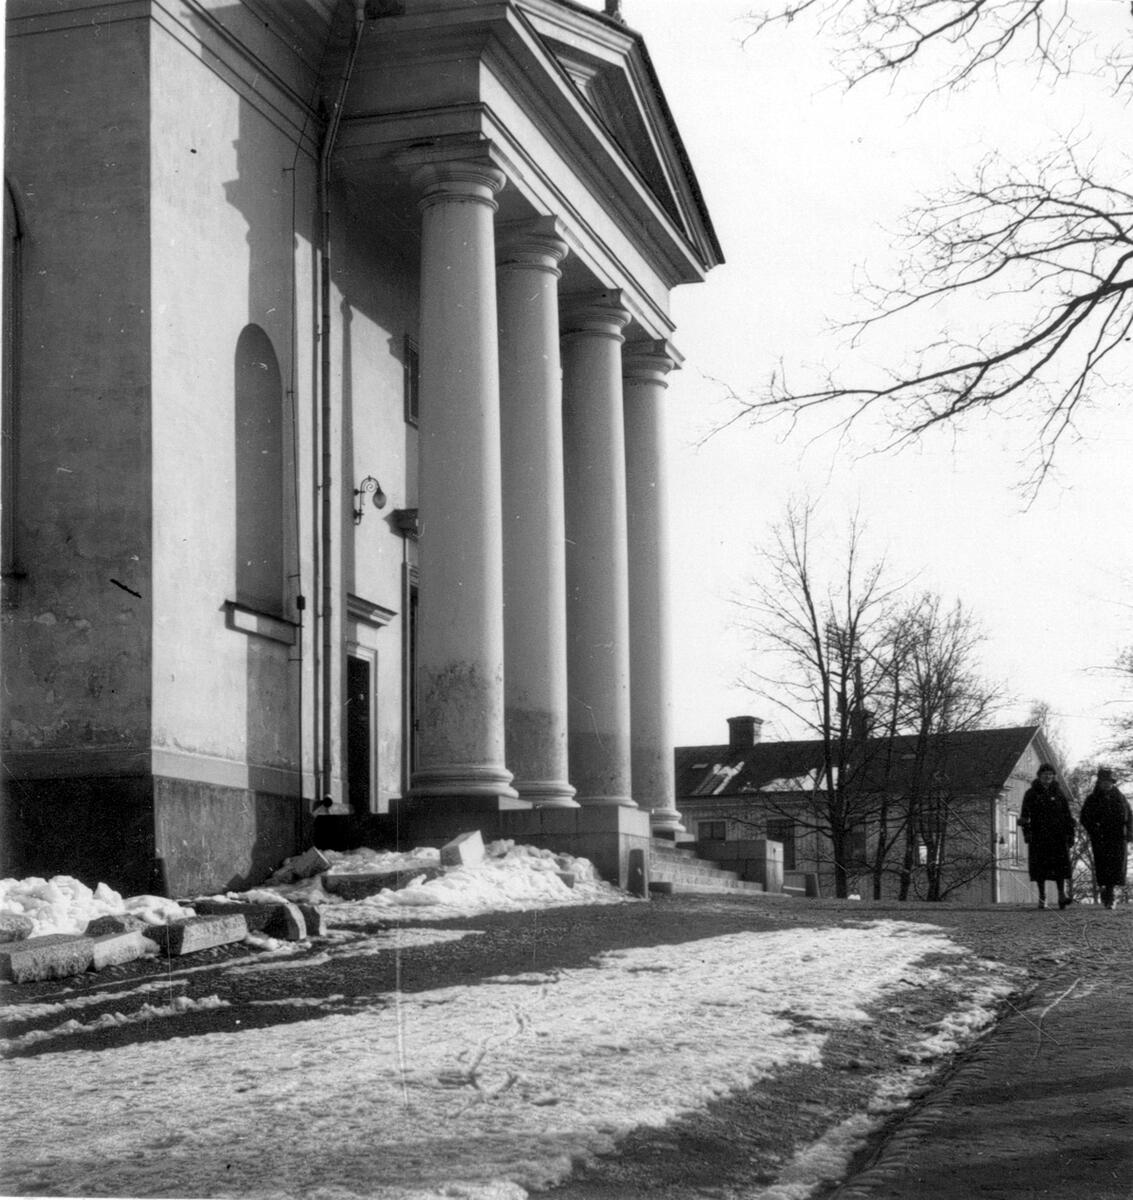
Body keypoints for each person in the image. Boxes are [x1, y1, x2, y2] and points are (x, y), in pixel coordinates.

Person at [1019, 763, 1075, 909]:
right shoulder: (1031, 793)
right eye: (1045, 774)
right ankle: (1042, 896)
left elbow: (1067, 815)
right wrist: (1027, 832)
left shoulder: (1059, 793)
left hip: (1058, 835)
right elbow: (1024, 815)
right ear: (1039, 776)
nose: (1048, 777)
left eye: (1050, 774)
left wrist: (1070, 834)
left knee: (1060, 867)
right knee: (1040, 868)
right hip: (1039, 835)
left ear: (1053, 776)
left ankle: (1061, 895)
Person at [1079, 766, 1133, 909]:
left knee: (1117, 866)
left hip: (1118, 837)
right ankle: (1107, 893)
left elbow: (1129, 816)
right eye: (1104, 782)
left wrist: (1129, 833)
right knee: (1104, 866)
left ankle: (1110, 894)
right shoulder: (1092, 799)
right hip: (1101, 837)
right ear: (1099, 783)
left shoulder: (1121, 798)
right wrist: (1094, 830)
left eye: (1109, 782)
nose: (1107, 784)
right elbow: (1084, 818)